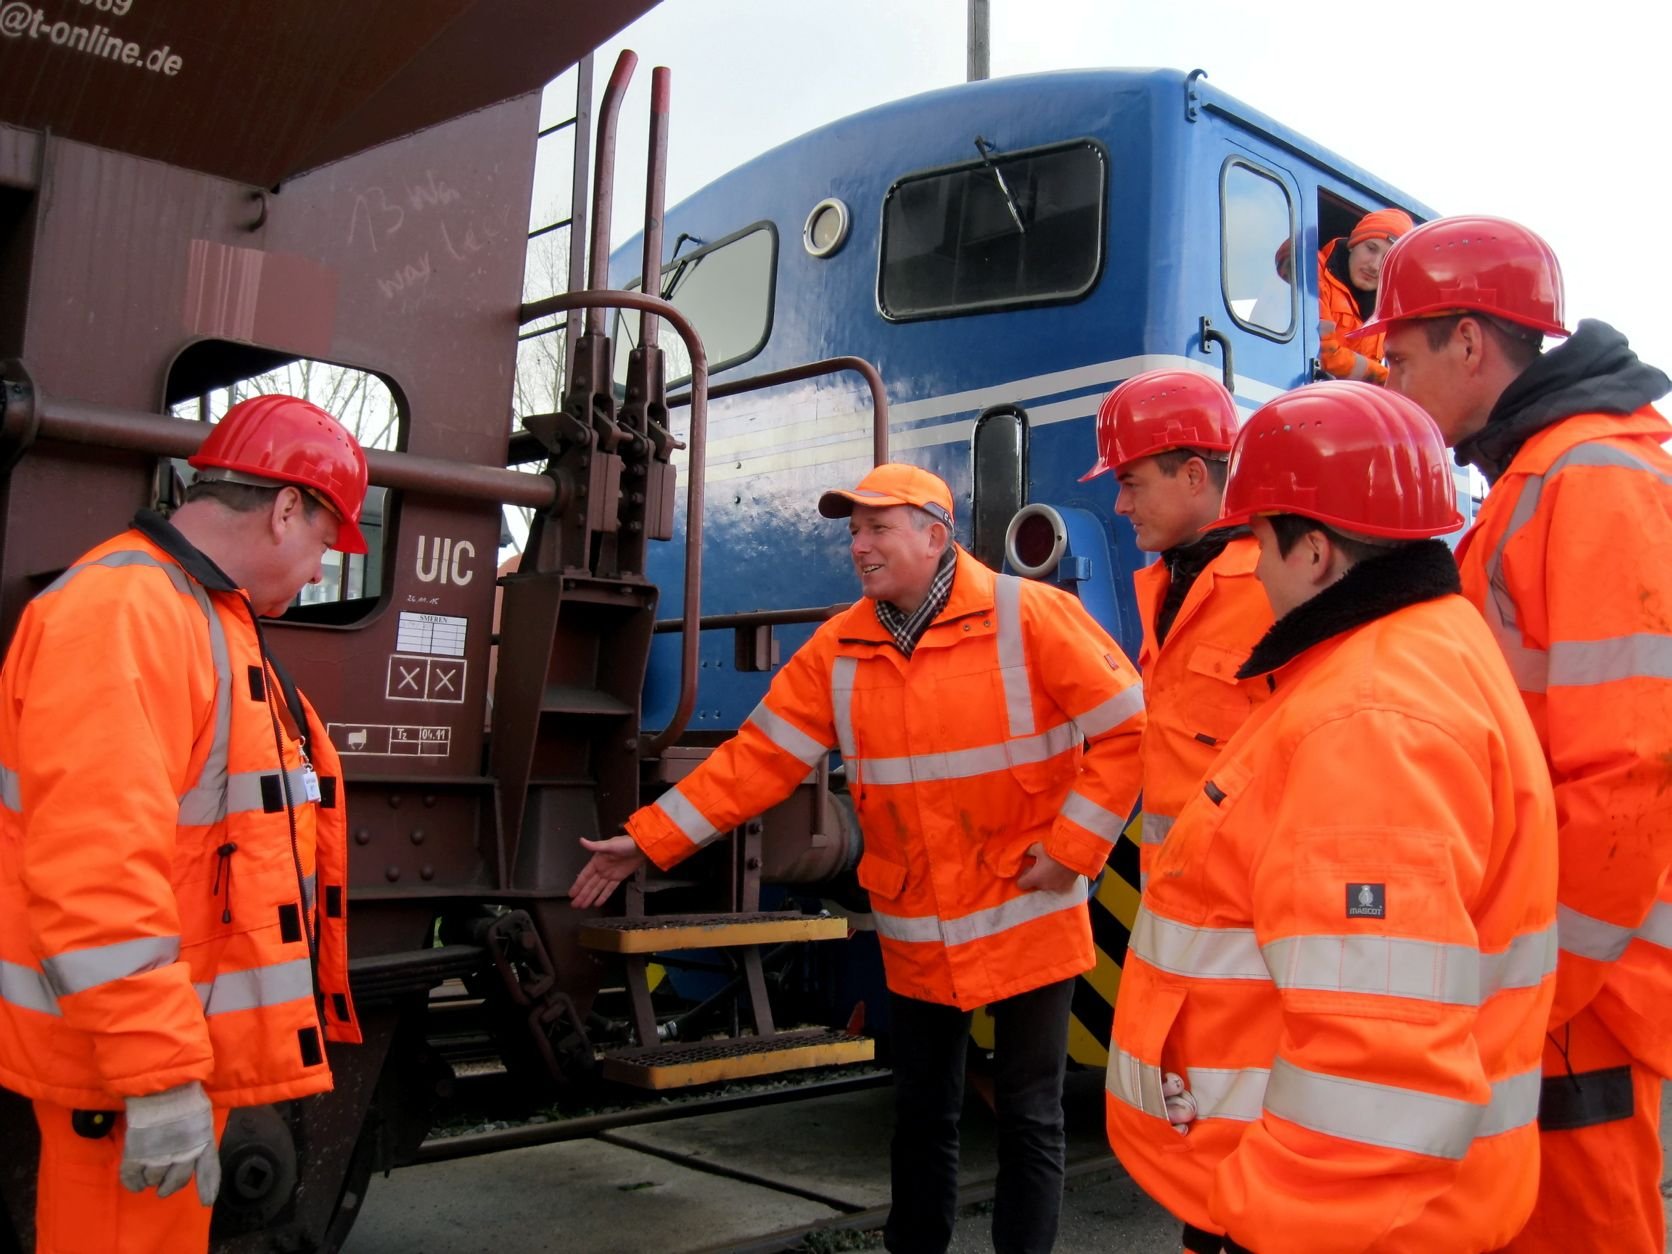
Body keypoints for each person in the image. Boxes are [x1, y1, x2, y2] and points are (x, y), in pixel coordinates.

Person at [569, 462, 1145, 1254]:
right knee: (922, 1116)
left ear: (934, 536)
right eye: (853, 532)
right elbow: (758, 760)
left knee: (1029, 1117)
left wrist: (1075, 849)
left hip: (1027, 912)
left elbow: (1127, 729)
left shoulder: (1029, 616)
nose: (859, 547)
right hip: (918, 926)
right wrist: (649, 839)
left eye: (877, 528)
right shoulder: (840, 648)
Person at [1104, 382, 1559, 1254]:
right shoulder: (1431, 646)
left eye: (1260, 542)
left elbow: (1378, 1066)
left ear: (1314, 553)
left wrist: (1264, 1221)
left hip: (1339, 1222)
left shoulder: (1371, 721)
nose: (1252, 567)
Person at [1360, 214, 1672, 1254]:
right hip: (1561, 966)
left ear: (1468, 341)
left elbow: (1628, 767)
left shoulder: (1584, 480)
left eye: (1399, 357)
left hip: (1582, 986)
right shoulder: (1543, 478)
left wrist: (1547, 981)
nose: (1390, 385)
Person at [0, 394, 369, 1254]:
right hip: (125, 1086)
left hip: (144, 1067)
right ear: (286, 509)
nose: (318, 572)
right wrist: (158, 1076)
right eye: (324, 542)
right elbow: (95, 870)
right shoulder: (128, 615)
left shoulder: (187, 614)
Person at [1079, 370, 1272, 886]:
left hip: (1249, 921)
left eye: (1130, 483)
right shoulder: (1170, 583)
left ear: (1192, 475)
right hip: (1181, 905)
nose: (1120, 506)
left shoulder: (1274, 587)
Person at [1317, 207, 1414, 384]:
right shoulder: (1313, 272)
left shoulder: (1391, 314)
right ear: (1353, 244)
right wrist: (1387, 379)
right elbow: (1325, 354)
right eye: (1371, 248)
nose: (1375, 266)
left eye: (1387, 260)